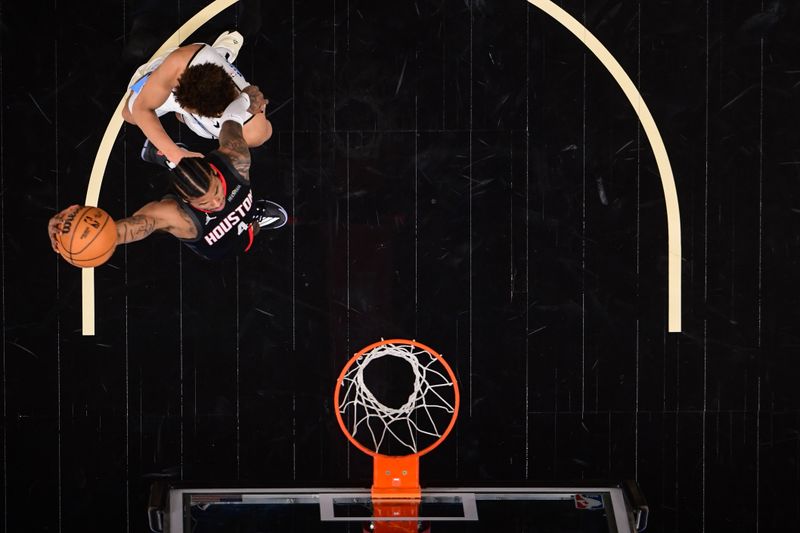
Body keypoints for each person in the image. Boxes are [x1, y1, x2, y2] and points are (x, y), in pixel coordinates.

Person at [49, 92, 287, 261]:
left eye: (215, 192)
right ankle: (253, 217)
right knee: (248, 235)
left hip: (213, 169)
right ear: (186, 201)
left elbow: (231, 120)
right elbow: (134, 228)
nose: (216, 202)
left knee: (224, 146)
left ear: (216, 172)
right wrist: (80, 239)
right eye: (204, 202)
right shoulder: (177, 215)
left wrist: (248, 99)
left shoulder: (236, 159)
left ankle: (170, 155)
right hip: (216, 245)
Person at [122, 31, 273, 166]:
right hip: (185, 66)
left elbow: (266, 131)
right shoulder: (181, 61)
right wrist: (174, 153)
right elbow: (139, 109)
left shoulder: (253, 131)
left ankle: (222, 53)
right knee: (130, 115)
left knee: (181, 118)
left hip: (216, 117)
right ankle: (219, 54)